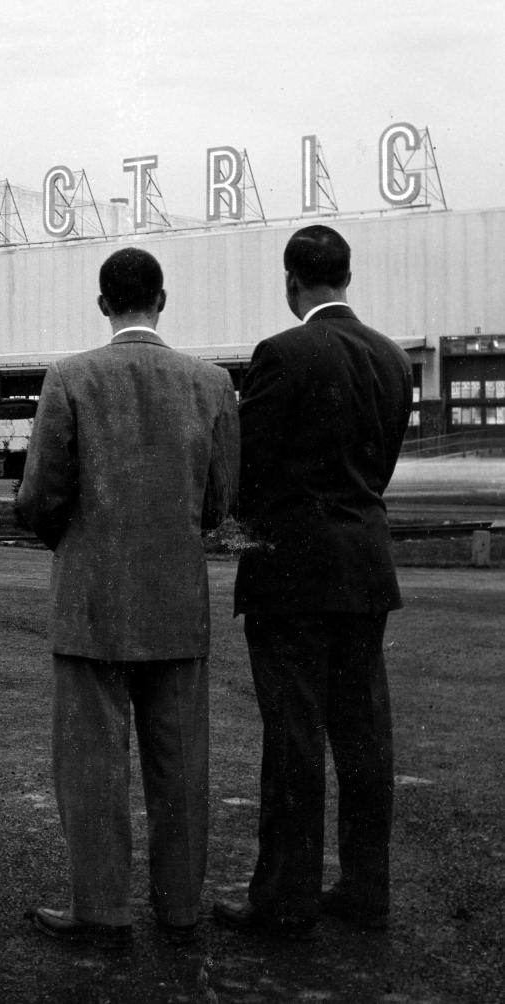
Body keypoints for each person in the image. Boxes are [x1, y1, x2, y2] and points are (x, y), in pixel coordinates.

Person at [17, 247, 239, 949]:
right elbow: (220, 500)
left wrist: (69, 537)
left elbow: (42, 494)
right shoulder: (211, 384)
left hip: (91, 602)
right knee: (180, 767)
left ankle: (101, 910)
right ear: (162, 299)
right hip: (177, 599)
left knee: (91, 763)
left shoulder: (71, 378)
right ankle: (178, 910)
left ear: (103, 303)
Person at [213, 225, 413, 940]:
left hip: (293, 569)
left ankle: (284, 899)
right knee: (363, 738)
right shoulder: (393, 359)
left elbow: (248, 464)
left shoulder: (284, 353)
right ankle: (365, 889)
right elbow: (380, 464)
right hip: (365, 563)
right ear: (346, 275)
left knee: (294, 737)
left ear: (292, 281)